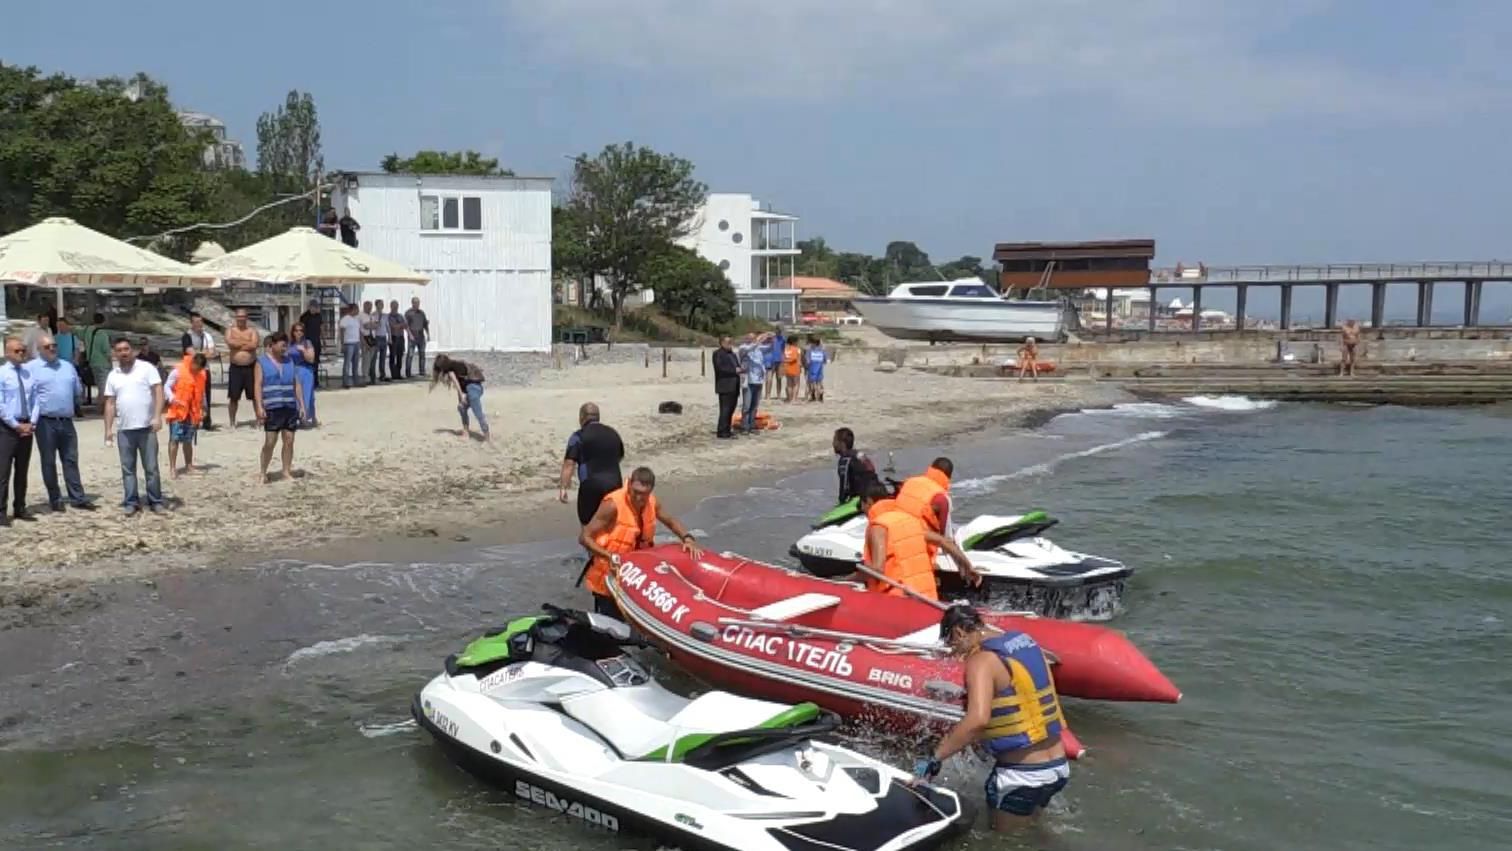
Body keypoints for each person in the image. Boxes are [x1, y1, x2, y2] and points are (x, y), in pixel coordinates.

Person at [914, 605, 1068, 830]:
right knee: (1031, 833)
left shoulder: (980, 661)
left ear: (959, 633)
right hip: (1057, 768)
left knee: (1003, 841)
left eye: (953, 646)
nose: (957, 656)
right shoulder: (1023, 642)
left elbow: (977, 719)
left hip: (1022, 777)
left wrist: (935, 757)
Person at [578, 467, 701, 617]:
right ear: (629, 484)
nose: (638, 498)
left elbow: (670, 521)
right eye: (635, 492)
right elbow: (584, 537)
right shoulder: (612, 505)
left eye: (643, 494)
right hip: (608, 577)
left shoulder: (652, 502)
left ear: (650, 491)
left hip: (636, 577)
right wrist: (609, 556)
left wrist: (687, 538)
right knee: (609, 628)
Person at [857, 481, 977, 600]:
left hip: (899, 600)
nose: (862, 509)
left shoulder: (879, 527)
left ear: (868, 502)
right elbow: (944, 541)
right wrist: (968, 566)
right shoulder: (909, 521)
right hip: (928, 598)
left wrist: (848, 579)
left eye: (861, 504)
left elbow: (878, 570)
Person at [27, 333, 93, 513]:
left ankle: (78, 497)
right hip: (45, 422)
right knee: (48, 461)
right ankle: (55, 499)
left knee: (71, 459)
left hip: (66, 421)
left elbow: (76, 390)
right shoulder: (31, 368)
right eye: (47, 347)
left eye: (54, 345)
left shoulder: (67, 366)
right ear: (39, 349)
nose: (52, 349)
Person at [103, 336, 166, 515]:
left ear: (132, 350)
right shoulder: (113, 375)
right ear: (115, 354)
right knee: (127, 468)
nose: (123, 353)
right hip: (125, 429)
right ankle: (131, 501)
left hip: (147, 427)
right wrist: (108, 429)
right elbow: (110, 403)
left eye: (126, 349)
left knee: (151, 467)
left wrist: (157, 416)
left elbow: (158, 391)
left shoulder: (146, 368)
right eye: (119, 350)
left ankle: (155, 500)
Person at [560, 402, 626, 526]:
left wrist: (563, 488)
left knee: (588, 528)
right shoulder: (613, 433)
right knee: (612, 526)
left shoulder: (578, 436)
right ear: (598, 417)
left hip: (591, 486)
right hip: (615, 484)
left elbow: (569, 463)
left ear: (582, 417)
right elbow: (620, 456)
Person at [253, 333, 307, 484]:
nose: (285, 348)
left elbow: (296, 384)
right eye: (282, 345)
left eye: (286, 345)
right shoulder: (261, 362)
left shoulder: (290, 361)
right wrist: (259, 406)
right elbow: (257, 385)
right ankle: (263, 472)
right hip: (272, 406)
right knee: (270, 441)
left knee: (289, 440)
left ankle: (286, 471)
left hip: (289, 406)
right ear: (272, 345)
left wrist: (301, 405)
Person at [0, 337, 37, 525]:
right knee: (3, 472)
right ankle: (1, 512)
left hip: (27, 426)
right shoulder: (2, 373)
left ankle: (20, 507)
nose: (22, 354)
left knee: (22, 471)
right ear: (7, 353)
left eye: (23, 350)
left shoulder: (28, 374)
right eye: (17, 351)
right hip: (7, 429)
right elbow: (1, 405)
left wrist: (32, 422)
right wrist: (15, 425)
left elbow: (35, 400)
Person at [163, 353, 208, 478]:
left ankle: (189, 465)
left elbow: (202, 392)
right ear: (192, 362)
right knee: (174, 439)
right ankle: (172, 468)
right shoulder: (178, 371)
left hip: (192, 412)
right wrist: (172, 398)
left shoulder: (201, 375)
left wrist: (204, 407)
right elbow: (166, 386)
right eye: (196, 367)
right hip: (178, 410)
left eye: (200, 369)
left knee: (188, 440)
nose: (197, 370)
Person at [430, 354, 489, 441]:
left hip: (473, 389)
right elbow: (459, 386)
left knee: (477, 413)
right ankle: (467, 433)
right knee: (462, 408)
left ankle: (486, 437)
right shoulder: (456, 365)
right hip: (476, 388)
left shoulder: (451, 371)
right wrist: (461, 401)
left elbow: (457, 386)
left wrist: (461, 398)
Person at [896, 457, 955, 542]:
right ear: (949, 477)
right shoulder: (942, 498)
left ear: (931, 468)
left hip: (894, 532)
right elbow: (946, 537)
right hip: (916, 540)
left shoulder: (909, 482)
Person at [179, 311, 218, 429]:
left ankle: (207, 420)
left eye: (201, 321)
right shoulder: (187, 336)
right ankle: (191, 419)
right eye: (196, 322)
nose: (199, 324)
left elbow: (212, 353)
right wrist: (204, 353)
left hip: (204, 369)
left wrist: (202, 354)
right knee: (191, 395)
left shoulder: (207, 336)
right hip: (190, 371)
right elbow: (190, 352)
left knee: (206, 395)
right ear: (192, 323)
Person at [224, 309, 261, 428]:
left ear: (246, 317)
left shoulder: (252, 331)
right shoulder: (230, 330)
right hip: (235, 367)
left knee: (255, 396)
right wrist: (246, 343)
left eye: (243, 317)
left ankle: (259, 419)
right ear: (236, 318)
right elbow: (230, 343)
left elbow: (254, 345)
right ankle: (232, 421)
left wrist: (238, 343)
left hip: (251, 367)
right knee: (233, 397)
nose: (241, 319)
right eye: (238, 317)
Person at [738, 331, 774, 435]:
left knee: (754, 405)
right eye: (750, 338)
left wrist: (772, 339)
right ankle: (744, 426)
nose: (752, 339)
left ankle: (752, 425)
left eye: (753, 338)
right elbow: (751, 348)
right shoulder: (743, 348)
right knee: (746, 405)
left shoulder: (759, 349)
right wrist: (759, 340)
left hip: (758, 380)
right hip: (748, 380)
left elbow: (769, 348)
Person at [833, 427, 879, 504]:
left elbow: (844, 486)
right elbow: (872, 470)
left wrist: (841, 503)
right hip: (876, 493)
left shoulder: (845, 459)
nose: (833, 444)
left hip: (861, 499)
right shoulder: (861, 455)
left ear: (842, 444)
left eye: (835, 441)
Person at [712, 335, 741, 439]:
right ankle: (722, 432)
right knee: (725, 410)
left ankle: (727, 430)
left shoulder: (732, 354)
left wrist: (740, 369)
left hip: (734, 385)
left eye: (731, 342)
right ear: (722, 343)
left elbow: (737, 366)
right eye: (728, 342)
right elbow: (720, 369)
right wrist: (734, 371)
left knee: (731, 410)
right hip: (725, 386)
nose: (730, 344)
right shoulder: (718, 354)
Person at [289, 323, 318, 426]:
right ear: (293, 332)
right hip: (292, 370)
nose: (299, 332)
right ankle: (297, 416)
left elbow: (311, 359)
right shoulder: (289, 344)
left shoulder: (307, 343)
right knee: (294, 395)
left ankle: (306, 417)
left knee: (307, 394)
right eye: (296, 330)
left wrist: (304, 350)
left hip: (305, 370)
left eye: (301, 330)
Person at [83, 313, 114, 407]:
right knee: (104, 387)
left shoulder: (87, 331)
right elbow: (106, 351)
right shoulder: (103, 334)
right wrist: (111, 363)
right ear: (103, 322)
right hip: (102, 363)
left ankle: (101, 404)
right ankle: (102, 406)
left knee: (99, 384)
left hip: (92, 362)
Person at [338, 303, 363, 388]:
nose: (358, 311)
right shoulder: (345, 319)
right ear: (353, 309)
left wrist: (360, 342)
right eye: (357, 309)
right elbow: (341, 332)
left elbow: (359, 331)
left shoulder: (356, 319)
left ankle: (356, 381)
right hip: (348, 343)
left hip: (356, 343)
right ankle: (345, 382)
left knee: (356, 364)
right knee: (347, 363)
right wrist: (342, 343)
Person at [404, 297, 430, 377]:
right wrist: (410, 335)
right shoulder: (408, 313)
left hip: (421, 336)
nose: (417, 304)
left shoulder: (421, 313)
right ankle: (408, 373)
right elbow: (406, 325)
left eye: (418, 303)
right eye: (416, 303)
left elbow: (425, 324)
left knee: (422, 354)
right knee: (410, 355)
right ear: (412, 303)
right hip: (412, 336)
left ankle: (422, 371)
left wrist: (428, 334)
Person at [370, 300, 391, 383]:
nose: (381, 305)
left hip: (383, 337)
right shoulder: (373, 315)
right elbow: (372, 326)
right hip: (376, 337)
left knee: (383, 358)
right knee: (374, 358)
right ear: (376, 305)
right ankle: (372, 376)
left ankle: (382, 375)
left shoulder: (385, 315)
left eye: (382, 304)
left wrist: (390, 337)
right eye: (379, 304)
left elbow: (388, 327)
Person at [298, 299, 324, 366]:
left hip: (317, 341)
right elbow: (300, 329)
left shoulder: (319, 316)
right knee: (308, 359)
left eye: (316, 307)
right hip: (307, 341)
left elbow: (321, 328)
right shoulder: (304, 316)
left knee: (316, 360)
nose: (315, 309)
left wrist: (323, 339)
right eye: (314, 307)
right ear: (310, 307)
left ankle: (315, 375)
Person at [386, 299, 407, 379]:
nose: (395, 307)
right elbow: (392, 327)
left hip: (401, 338)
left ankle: (398, 374)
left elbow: (405, 325)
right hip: (393, 338)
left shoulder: (401, 316)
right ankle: (393, 374)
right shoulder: (388, 317)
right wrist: (400, 325)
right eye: (394, 306)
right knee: (392, 356)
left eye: (396, 306)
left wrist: (398, 326)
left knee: (399, 356)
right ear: (391, 306)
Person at [359, 300, 379, 384]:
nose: (370, 308)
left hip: (372, 338)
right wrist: (371, 325)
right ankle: (365, 377)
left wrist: (371, 325)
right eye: (368, 306)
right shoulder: (361, 315)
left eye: (371, 306)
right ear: (364, 306)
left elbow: (377, 326)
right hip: (365, 337)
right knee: (366, 359)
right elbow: (365, 326)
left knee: (371, 359)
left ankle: (370, 377)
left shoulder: (372, 316)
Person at [764, 326, 786, 400]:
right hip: (770, 360)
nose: (779, 332)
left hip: (779, 360)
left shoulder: (783, 339)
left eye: (780, 330)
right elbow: (763, 340)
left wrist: (783, 361)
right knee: (769, 378)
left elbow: (783, 350)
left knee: (779, 378)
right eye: (778, 330)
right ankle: (767, 395)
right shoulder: (771, 338)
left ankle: (778, 395)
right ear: (775, 330)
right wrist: (769, 336)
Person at [805, 335, 827, 402]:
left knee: (812, 383)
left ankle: (813, 396)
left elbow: (807, 361)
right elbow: (825, 360)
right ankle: (820, 396)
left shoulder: (810, 351)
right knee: (820, 382)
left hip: (812, 368)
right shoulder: (822, 351)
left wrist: (807, 367)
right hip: (820, 368)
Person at [782, 336, 802, 403]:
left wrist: (785, 363)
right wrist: (800, 367)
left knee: (789, 384)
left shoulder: (786, 349)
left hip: (787, 368)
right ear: (794, 342)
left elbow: (783, 358)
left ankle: (789, 398)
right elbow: (797, 359)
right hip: (795, 367)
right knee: (796, 384)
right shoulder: (797, 349)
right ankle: (794, 399)